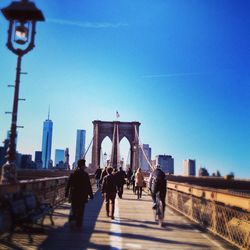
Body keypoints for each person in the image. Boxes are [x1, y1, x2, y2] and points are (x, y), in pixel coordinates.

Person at [65, 159, 94, 229]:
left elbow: (68, 184)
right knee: (81, 210)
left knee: (74, 208)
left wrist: (66, 193)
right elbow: (88, 185)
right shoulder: (85, 175)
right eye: (84, 165)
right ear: (83, 166)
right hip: (82, 195)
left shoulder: (73, 174)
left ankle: (72, 219)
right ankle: (79, 223)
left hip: (74, 195)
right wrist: (91, 195)